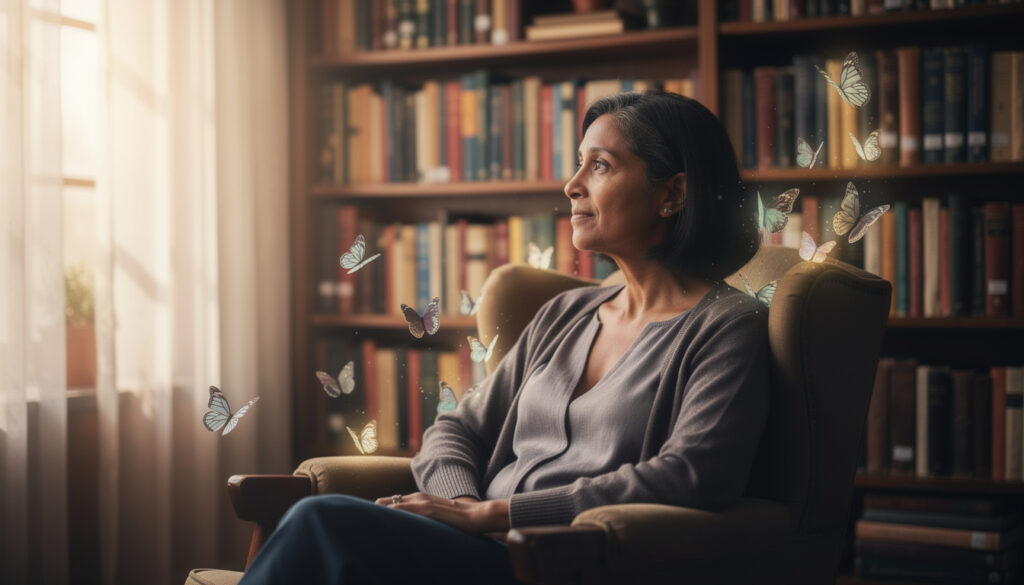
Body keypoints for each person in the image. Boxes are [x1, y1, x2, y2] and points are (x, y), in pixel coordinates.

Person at [237, 90, 770, 585]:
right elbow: (456, 430)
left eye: (600, 165)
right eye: (578, 162)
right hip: (474, 548)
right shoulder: (567, 313)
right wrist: (460, 509)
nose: (572, 184)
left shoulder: (727, 327)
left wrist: (491, 515)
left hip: (555, 563)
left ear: (673, 192)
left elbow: (691, 476)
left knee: (321, 522)